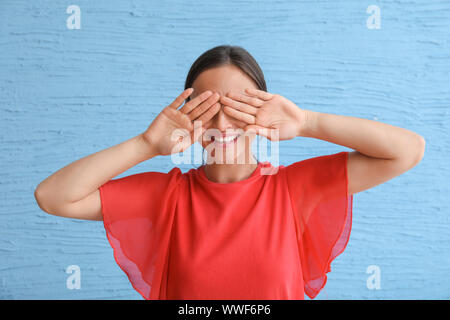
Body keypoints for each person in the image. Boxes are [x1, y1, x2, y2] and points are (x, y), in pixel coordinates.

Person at [34, 45, 425, 300]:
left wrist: (307, 121)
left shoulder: (293, 189)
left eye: (240, 108)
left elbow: (408, 151)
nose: (223, 123)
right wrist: (146, 145)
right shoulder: (166, 195)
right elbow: (52, 196)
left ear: (265, 110)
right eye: (207, 108)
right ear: (185, 117)